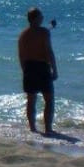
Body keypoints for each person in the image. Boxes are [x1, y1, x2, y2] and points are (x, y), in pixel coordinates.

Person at [17, 7, 58, 135]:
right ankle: (48, 128)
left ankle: (32, 128)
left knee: (31, 99)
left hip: (29, 67)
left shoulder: (23, 34)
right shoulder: (44, 32)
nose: (43, 18)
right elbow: (49, 51)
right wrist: (55, 69)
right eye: (41, 16)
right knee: (49, 99)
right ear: (36, 18)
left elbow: (21, 55)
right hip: (42, 67)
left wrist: (24, 70)